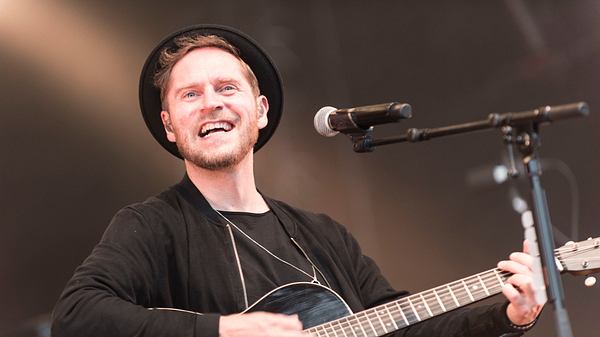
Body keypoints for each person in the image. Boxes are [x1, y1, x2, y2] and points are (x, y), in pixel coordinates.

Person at [51, 24, 542, 337]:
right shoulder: (151, 226)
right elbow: (77, 317)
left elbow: (403, 325)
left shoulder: (323, 236)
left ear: (260, 111)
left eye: (226, 88)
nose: (211, 103)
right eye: (190, 95)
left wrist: (508, 314)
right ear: (169, 125)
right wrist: (223, 331)